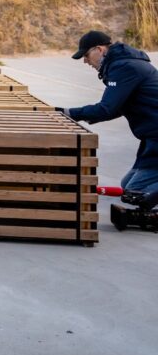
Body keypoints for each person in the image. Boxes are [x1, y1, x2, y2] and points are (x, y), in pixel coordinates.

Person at [62, 30, 158, 224]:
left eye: (86, 55)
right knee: (127, 186)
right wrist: (76, 115)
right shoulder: (122, 64)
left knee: (136, 192)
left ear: (99, 50)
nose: (86, 62)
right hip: (151, 136)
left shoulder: (125, 67)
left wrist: (70, 112)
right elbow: (116, 108)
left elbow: (106, 108)